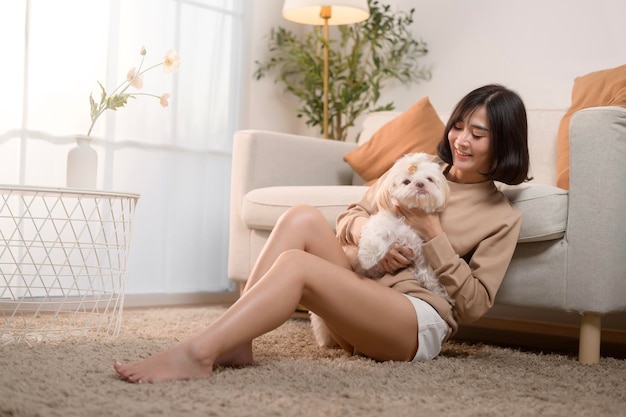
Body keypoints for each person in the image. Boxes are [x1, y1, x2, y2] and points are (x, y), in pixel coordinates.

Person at [114, 84, 530, 383]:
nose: (461, 140)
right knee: (301, 217)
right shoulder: (415, 169)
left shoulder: (501, 217)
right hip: (363, 298)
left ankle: (198, 353)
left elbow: (474, 306)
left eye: (478, 134)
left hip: (410, 323)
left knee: (296, 266)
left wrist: (433, 233)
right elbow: (351, 215)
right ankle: (237, 342)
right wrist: (373, 243)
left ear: (503, 144)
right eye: (458, 127)